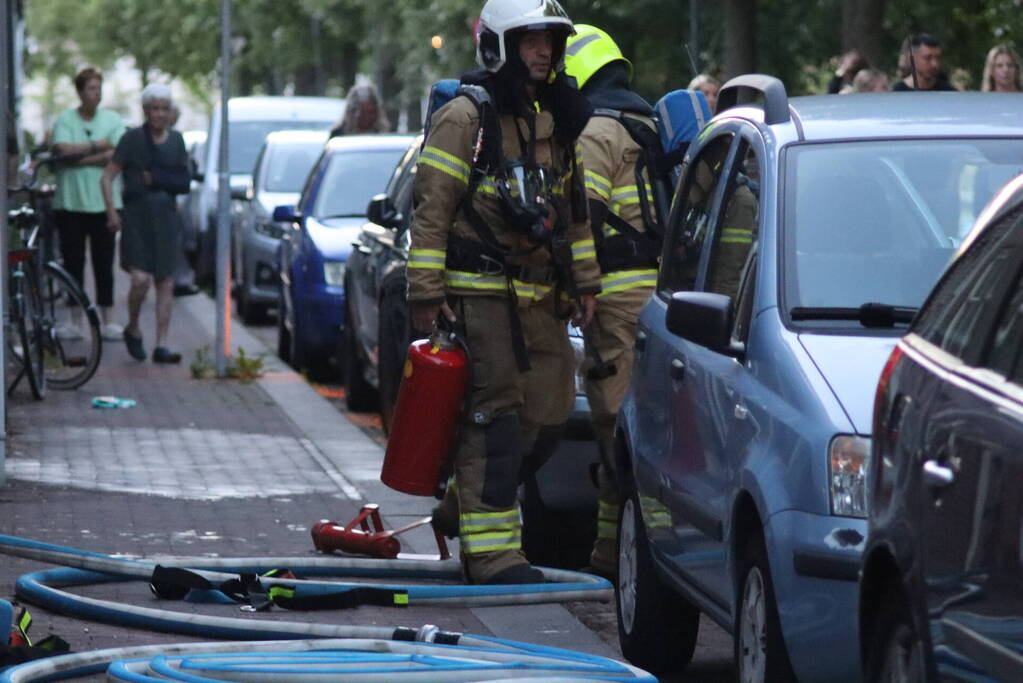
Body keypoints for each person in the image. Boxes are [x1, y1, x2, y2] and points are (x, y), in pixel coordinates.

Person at [408, 0, 599, 585]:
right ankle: (491, 555)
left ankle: (459, 508)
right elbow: (431, 208)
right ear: (498, 45)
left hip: (541, 296)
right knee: (497, 419)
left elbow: (574, 210)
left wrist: (584, 283)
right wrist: (425, 288)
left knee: (551, 416)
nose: (543, 52)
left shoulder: (552, 119)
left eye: (550, 41)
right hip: (481, 292)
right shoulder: (467, 118)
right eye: (530, 41)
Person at [563, 25, 658, 578]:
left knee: (617, 433)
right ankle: (606, 557)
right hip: (667, 303)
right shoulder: (648, 125)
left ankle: (632, 565)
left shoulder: (596, 131)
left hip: (617, 303)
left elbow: (584, 219)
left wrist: (574, 287)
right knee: (631, 437)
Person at [100, 84, 190, 364]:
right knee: (140, 279)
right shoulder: (131, 140)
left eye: (165, 108)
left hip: (165, 219)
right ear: (145, 110)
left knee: (165, 281)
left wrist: (163, 181)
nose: (160, 114)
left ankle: (162, 345)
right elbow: (107, 177)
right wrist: (112, 212)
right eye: (155, 108)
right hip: (136, 218)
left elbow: (183, 180)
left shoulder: (176, 141)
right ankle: (134, 326)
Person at [50, 66, 126, 341]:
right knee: (73, 262)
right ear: (81, 92)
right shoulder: (65, 119)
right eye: (91, 88)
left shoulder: (113, 118)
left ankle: (108, 319)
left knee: (104, 262)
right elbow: (61, 151)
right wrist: (98, 147)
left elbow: (117, 153)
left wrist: (80, 155)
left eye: (99, 88)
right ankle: (75, 320)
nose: (97, 93)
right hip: (70, 202)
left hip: (103, 204)